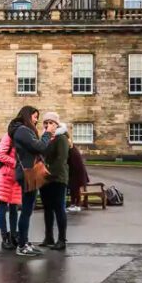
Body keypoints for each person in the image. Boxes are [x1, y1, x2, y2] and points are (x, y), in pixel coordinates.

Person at [10, 105, 50, 257]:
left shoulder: (23, 130)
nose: (36, 120)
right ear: (28, 116)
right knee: (26, 211)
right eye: (35, 117)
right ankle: (22, 245)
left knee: (28, 209)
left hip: (28, 172)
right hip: (27, 173)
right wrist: (47, 133)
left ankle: (25, 242)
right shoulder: (22, 131)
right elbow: (39, 146)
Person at [38, 114, 70, 251]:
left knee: (59, 209)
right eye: (45, 122)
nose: (47, 125)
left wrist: (49, 172)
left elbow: (61, 159)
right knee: (47, 208)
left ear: (57, 124)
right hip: (45, 178)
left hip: (58, 178)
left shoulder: (61, 138)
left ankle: (61, 239)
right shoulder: (45, 138)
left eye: (51, 122)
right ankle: (49, 237)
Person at [0, 122, 21, 252]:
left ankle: (13, 234)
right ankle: (5, 237)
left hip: (15, 178)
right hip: (4, 176)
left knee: (14, 207)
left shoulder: (21, 139)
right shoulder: (8, 137)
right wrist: (16, 164)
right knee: (3, 206)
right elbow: (0, 155)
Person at [67, 143, 90, 213]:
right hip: (76, 173)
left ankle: (77, 205)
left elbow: (69, 162)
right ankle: (73, 204)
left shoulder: (72, 151)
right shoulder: (72, 150)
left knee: (76, 189)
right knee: (73, 189)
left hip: (77, 174)